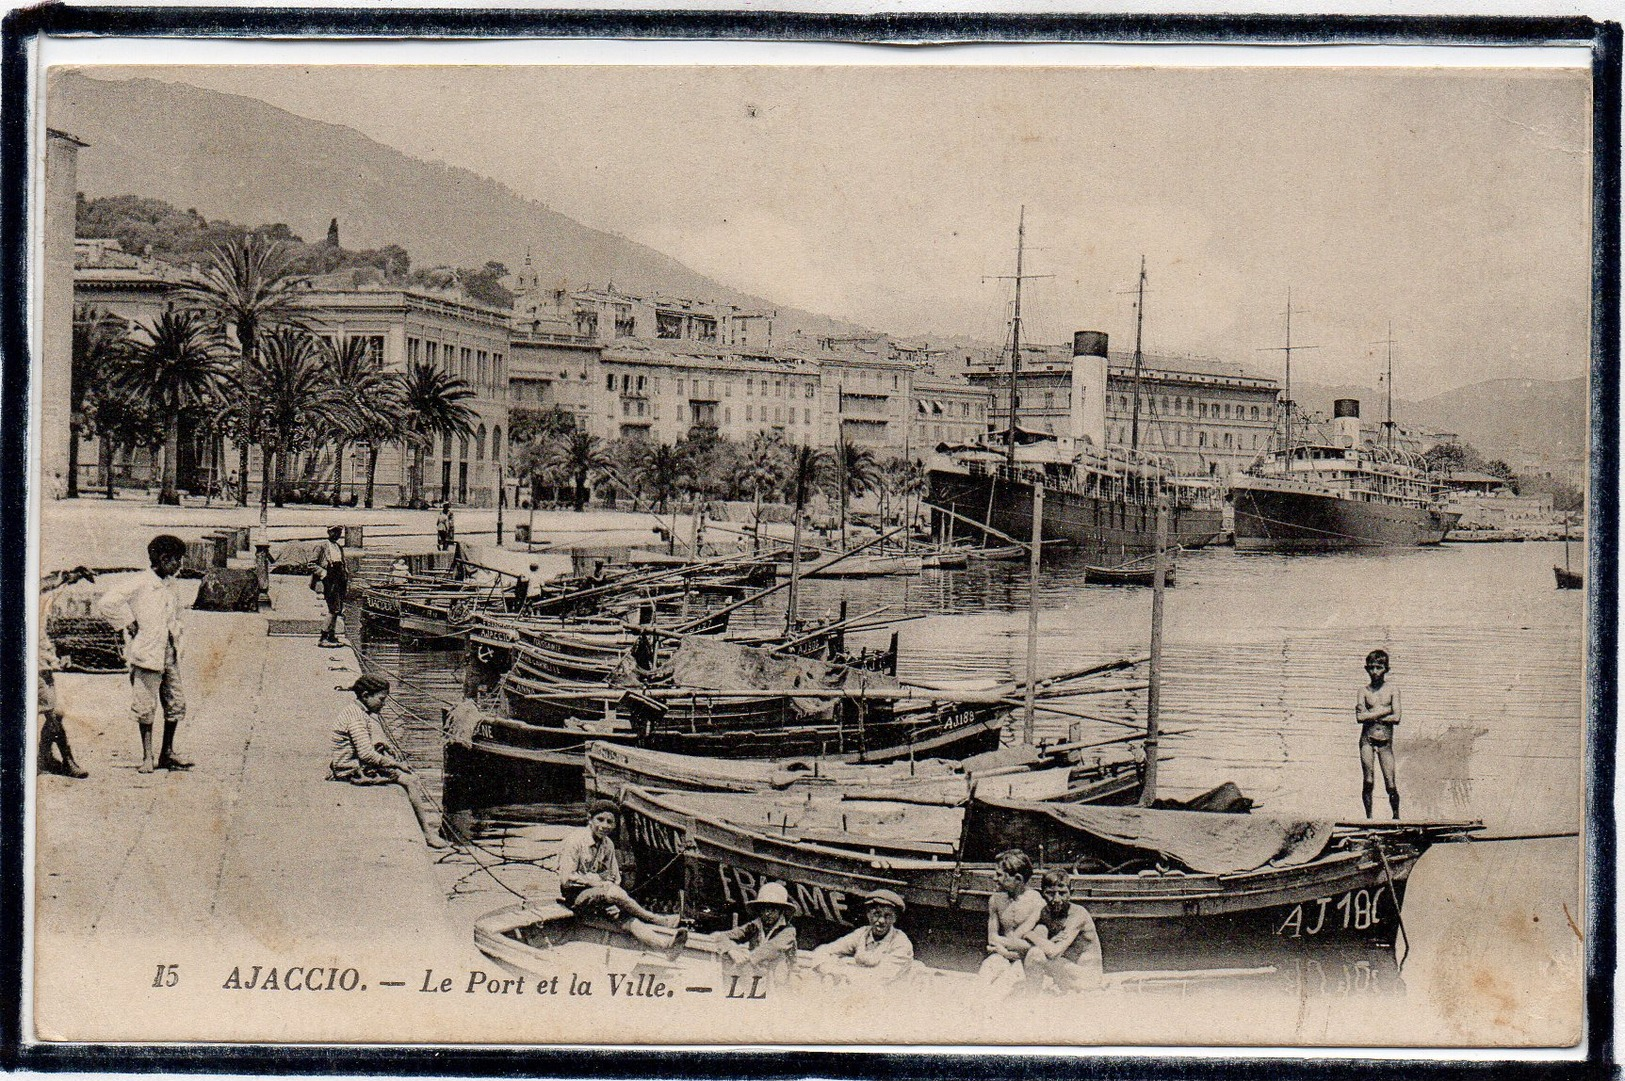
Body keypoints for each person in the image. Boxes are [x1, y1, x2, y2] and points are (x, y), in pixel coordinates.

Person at [97, 535, 191, 774]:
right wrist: (127, 622)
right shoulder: (140, 583)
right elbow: (107, 603)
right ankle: (148, 756)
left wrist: (176, 636)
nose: (180, 565)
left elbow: (174, 617)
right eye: (176, 560)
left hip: (169, 653)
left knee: (175, 703)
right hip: (147, 654)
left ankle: (167, 752)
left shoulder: (171, 585)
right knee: (145, 706)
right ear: (164, 559)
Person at [329, 674, 448, 849]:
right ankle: (427, 834)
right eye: (381, 699)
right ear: (366, 695)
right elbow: (366, 755)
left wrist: (382, 744)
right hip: (349, 769)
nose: (383, 704)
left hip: (348, 763)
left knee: (400, 770)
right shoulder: (356, 718)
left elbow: (360, 746)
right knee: (411, 780)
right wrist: (397, 764)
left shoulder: (355, 711)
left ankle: (427, 831)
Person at [558, 801, 684, 949]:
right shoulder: (575, 841)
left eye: (610, 822)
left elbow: (615, 877)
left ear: (615, 825)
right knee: (615, 893)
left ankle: (665, 945)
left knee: (629, 921)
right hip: (576, 898)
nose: (605, 825)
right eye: (600, 819)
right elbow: (566, 879)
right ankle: (657, 919)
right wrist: (597, 883)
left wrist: (614, 903)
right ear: (590, 818)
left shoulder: (608, 844)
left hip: (603, 897)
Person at [38, 566, 96, 779]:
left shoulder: (42, 596)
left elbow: (49, 583)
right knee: (53, 711)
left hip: (42, 659)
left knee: (54, 711)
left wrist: (73, 575)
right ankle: (66, 759)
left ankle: (44, 757)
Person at [1020, 870, 1104, 995]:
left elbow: (1054, 952)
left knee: (1035, 952)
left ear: (1071, 893)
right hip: (1066, 972)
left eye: (1062, 893)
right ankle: (1033, 996)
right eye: (1050, 893)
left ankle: (1032, 998)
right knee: (1040, 933)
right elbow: (1015, 938)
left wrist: (1029, 934)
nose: (1057, 899)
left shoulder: (1078, 914)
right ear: (1042, 894)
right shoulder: (1045, 912)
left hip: (1087, 977)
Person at [810, 890, 914, 987]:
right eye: (876, 914)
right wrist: (829, 971)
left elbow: (880, 977)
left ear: (895, 919)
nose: (881, 920)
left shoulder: (901, 943)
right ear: (868, 914)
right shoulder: (863, 934)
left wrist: (844, 974)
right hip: (857, 988)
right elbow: (823, 950)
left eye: (887, 916)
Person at [977, 848, 1044, 993]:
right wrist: (1005, 949)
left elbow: (1033, 946)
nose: (995, 879)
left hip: (1024, 960)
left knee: (1006, 987)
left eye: (1000, 875)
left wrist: (1005, 950)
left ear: (1018, 879)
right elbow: (992, 937)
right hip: (1000, 955)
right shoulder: (996, 900)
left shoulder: (1036, 902)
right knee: (984, 976)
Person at [719, 881, 799, 986]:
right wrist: (731, 950)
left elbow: (772, 947)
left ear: (781, 911)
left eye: (772, 909)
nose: (767, 913)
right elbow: (722, 936)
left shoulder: (788, 931)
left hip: (781, 981)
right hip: (757, 976)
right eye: (764, 908)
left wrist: (746, 959)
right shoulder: (754, 926)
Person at [1356, 648, 1402, 819]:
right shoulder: (1363, 691)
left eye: (1379, 667)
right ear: (1367, 669)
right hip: (1367, 740)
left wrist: (1372, 715)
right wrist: (1385, 711)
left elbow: (1397, 717)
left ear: (1386, 669)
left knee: (1390, 784)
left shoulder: (1392, 690)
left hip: (1385, 742)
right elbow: (1360, 718)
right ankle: (1369, 818)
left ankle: (1396, 817)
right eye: (1371, 668)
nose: (1375, 672)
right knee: (1368, 781)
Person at [314, 526, 349, 647]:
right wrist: (323, 573)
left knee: (337, 609)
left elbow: (343, 564)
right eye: (335, 531)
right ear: (329, 532)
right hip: (329, 580)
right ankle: (323, 638)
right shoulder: (322, 546)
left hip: (340, 580)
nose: (337, 534)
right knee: (332, 609)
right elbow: (311, 564)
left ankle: (331, 636)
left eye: (339, 532)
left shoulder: (339, 547)